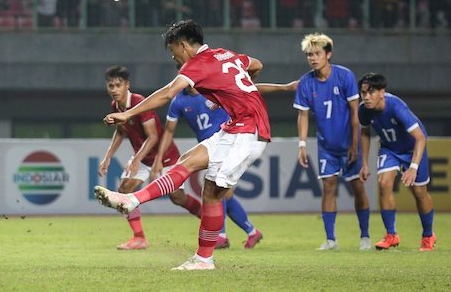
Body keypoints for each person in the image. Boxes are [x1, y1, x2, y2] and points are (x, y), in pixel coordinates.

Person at [95, 19, 271, 270]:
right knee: (186, 161)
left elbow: (167, 93)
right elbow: (257, 65)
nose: (173, 56)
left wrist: (127, 114)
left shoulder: (199, 63)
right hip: (234, 126)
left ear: (184, 45)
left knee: (212, 193)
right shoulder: (224, 54)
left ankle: (204, 259)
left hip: (249, 132)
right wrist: (233, 92)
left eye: (172, 50)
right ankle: (133, 200)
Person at [152, 82, 297, 249]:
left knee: (216, 187)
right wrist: (159, 159)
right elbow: (169, 131)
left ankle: (220, 235)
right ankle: (252, 232)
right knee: (225, 195)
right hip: (209, 148)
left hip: (229, 143)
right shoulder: (178, 101)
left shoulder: (213, 88)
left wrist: (284, 88)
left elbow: (251, 87)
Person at [98, 65, 204, 250]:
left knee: (178, 198)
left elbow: (153, 136)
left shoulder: (139, 102)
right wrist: (107, 157)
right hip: (144, 157)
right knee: (124, 190)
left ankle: (212, 221)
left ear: (127, 85)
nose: (114, 90)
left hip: (166, 157)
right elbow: (121, 131)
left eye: (118, 85)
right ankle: (139, 238)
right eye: (111, 86)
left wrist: (136, 160)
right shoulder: (116, 106)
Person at [293, 32, 371, 251]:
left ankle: (365, 237)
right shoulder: (306, 83)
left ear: (328, 54)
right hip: (326, 147)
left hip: (348, 145)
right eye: (309, 54)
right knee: (328, 187)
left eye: (317, 53)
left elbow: (355, 113)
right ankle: (330, 239)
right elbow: (303, 115)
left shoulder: (345, 77)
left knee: (358, 188)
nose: (313, 58)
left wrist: (354, 144)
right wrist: (302, 145)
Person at [358, 73, 436, 251]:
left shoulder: (396, 107)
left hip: (412, 149)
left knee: (419, 192)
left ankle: (428, 235)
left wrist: (413, 167)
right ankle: (391, 235)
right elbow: (364, 133)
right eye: (363, 93)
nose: (366, 97)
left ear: (382, 92)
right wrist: (364, 162)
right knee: (384, 184)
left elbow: (420, 138)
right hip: (389, 149)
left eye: (371, 92)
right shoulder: (363, 110)